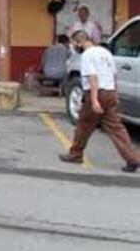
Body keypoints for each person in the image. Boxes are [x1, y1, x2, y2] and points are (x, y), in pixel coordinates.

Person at [59, 30, 139, 173]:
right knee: (116, 128)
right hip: (110, 92)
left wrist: (95, 100)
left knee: (84, 125)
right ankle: (132, 159)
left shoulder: (87, 56)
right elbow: (113, 75)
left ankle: (75, 154)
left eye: (75, 43)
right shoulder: (105, 52)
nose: (75, 47)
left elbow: (93, 78)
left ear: (79, 42)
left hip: (96, 92)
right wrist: (115, 93)